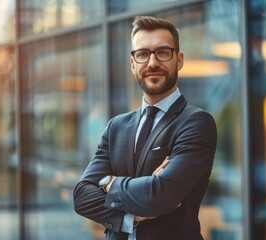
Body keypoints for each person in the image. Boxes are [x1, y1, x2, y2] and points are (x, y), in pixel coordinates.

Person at [73, 16, 217, 240]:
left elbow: (161, 195)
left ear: (179, 59)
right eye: (142, 54)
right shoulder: (116, 127)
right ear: (133, 64)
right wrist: (134, 215)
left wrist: (109, 183)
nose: (152, 63)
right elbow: (82, 196)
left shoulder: (197, 123)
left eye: (162, 52)